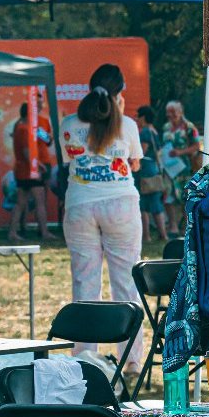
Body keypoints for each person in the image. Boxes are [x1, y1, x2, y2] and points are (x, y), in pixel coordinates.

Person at [58, 64, 145, 369]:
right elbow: (134, 163)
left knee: (84, 281)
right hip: (120, 205)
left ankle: (84, 355)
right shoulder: (128, 126)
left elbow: (71, 159)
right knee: (126, 283)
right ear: (120, 92)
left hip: (80, 205)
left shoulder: (68, 123)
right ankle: (131, 360)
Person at [9, 101, 53, 242]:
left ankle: (13, 232)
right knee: (39, 201)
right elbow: (27, 152)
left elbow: (48, 141)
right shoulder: (24, 129)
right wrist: (39, 165)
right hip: (30, 171)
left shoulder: (25, 127)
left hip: (24, 170)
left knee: (21, 203)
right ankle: (44, 232)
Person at [160, 100, 201, 235]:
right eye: (168, 112)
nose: (169, 115)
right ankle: (172, 225)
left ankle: (185, 226)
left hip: (185, 168)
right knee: (168, 195)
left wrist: (180, 152)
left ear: (180, 112)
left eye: (173, 111)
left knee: (185, 197)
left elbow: (196, 146)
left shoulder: (189, 127)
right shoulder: (166, 127)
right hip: (169, 168)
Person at [133, 105, 170, 243]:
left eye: (138, 116)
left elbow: (141, 152)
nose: (136, 119)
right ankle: (163, 234)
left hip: (144, 170)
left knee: (142, 204)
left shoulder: (144, 132)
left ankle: (146, 236)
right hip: (154, 169)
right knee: (155, 204)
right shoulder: (154, 131)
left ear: (143, 117)